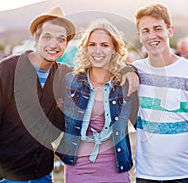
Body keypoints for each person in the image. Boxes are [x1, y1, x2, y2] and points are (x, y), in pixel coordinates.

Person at [0, 7, 138, 183]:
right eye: (47, 37)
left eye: (61, 39)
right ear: (36, 38)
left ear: (67, 43)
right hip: (6, 177)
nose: (54, 44)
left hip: (43, 175)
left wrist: (127, 69)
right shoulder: (7, 70)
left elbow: (100, 70)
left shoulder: (66, 76)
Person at [132, 3, 188, 183]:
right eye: (145, 30)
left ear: (170, 31)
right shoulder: (133, 72)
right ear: (139, 35)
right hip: (146, 175)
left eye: (157, 29)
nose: (151, 36)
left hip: (184, 174)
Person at [55, 18, 139, 183]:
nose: (97, 50)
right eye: (92, 44)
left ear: (115, 49)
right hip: (78, 169)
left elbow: (141, 123)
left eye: (105, 45)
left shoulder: (125, 84)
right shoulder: (70, 81)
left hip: (116, 168)